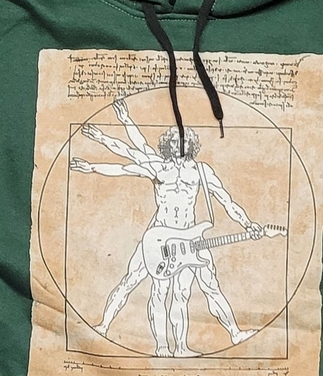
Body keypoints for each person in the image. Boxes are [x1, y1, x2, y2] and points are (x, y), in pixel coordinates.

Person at [70, 97, 263, 356]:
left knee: (193, 290)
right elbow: (127, 160)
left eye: (183, 140)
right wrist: (93, 164)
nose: (178, 144)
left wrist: (248, 223)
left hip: (190, 237)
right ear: (167, 145)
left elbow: (226, 200)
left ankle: (217, 338)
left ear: (191, 144)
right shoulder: (158, 167)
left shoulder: (202, 172)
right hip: (158, 236)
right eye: (173, 140)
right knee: (142, 284)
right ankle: (113, 329)